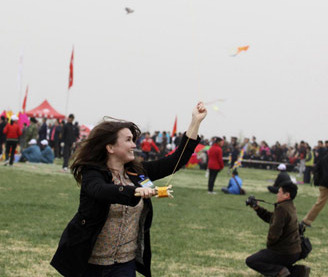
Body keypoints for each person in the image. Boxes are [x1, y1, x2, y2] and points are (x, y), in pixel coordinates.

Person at [50, 102, 207, 277]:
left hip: (124, 264)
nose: (134, 145)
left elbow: (175, 160)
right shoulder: (93, 173)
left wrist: (195, 122)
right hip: (90, 263)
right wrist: (135, 192)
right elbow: (100, 190)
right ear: (110, 148)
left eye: (133, 140)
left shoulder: (138, 173)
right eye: (128, 140)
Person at [246, 182, 310, 277]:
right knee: (266, 256)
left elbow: (274, 234)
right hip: (296, 252)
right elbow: (272, 218)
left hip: (285, 253)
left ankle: (282, 272)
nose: (277, 194)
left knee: (251, 260)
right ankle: (297, 271)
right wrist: (257, 208)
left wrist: (270, 247)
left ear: (287, 195)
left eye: (279, 192)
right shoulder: (290, 206)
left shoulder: (282, 209)